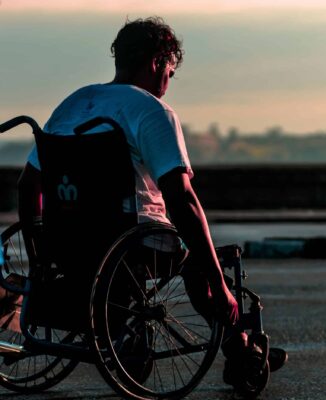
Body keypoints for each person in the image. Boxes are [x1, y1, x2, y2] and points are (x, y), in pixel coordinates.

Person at [17, 16, 285, 387]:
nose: (167, 84)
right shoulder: (150, 111)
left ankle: (133, 337)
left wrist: (38, 255)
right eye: (170, 73)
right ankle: (239, 345)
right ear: (158, 61)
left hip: (69, 247)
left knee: (175, 246)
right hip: (136, 243)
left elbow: (28, 185)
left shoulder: (72, 104)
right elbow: (182, 199)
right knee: (203, 260)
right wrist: (218, 284)